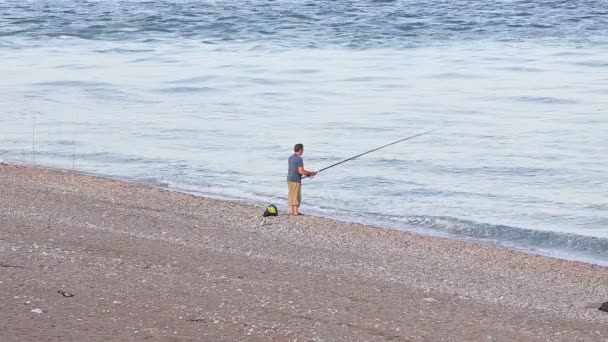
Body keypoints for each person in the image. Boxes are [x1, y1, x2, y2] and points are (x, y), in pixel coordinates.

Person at [287, 143, 317, 216]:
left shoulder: (290, 157)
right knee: (296, 196)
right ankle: (296, 212)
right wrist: (311, 173)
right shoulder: (299, 159)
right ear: (300, 150)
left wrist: (307, 174)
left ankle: (292, 211)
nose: (303, 151)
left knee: (291, 195)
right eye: (302, 149)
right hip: (295, 180)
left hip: (289, 179)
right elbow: (301, 171)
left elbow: (294, 170)